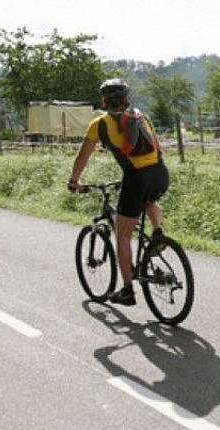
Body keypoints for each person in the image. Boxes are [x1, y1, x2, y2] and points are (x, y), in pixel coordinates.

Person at [68, 78, 170, 306]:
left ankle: (127, 290)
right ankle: (158, 233)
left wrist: (74, 180)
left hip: (136, 177)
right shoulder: (141, 117)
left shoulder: (99, 124)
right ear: (126, 99)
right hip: (160, 173)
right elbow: (156, 146)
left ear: (104, 101)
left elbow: (82, 155)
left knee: (123, 235)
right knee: (149, 199)